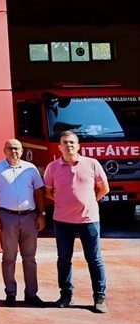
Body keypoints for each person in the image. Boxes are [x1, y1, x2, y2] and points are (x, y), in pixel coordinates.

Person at [44, 131, 110, 313]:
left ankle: (100, 297)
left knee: (94, 259)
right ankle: (66, 295)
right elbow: (48, 191)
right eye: (65, 142)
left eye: (72, 142)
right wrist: (63, 202)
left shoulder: (92, 164)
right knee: (64, 259)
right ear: (59, 147)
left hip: (89, 220)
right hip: (62, 221)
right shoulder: (52, 167)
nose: (69, 145)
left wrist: (90, 202)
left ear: (78, 146)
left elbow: (104, 188)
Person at [0, 138, 46, 308]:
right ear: (4, 150)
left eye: (17, 148)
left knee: (30, 258)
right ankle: (10, 293)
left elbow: (39, 192)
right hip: (7, 217)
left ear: (22, 151)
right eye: (10, 148)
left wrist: (41, 214)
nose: (14, 152)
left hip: (29, 217)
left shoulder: (30, 168)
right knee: (9, 257)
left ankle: (31, 294)